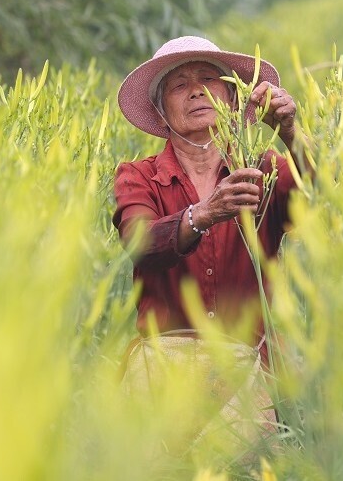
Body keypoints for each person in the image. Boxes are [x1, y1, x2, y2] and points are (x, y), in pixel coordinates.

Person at [112, 35, 308, 455]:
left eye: (207, 79)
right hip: (162, 370)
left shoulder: (263, 168)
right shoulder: (137, 176)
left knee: (239, 462)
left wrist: (291, 133)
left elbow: (329, 196)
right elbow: (140, 242)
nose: (196, 90)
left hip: (250, 370)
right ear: (162, 113)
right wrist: (202, 214)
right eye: (179, 85)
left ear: (233, 100)